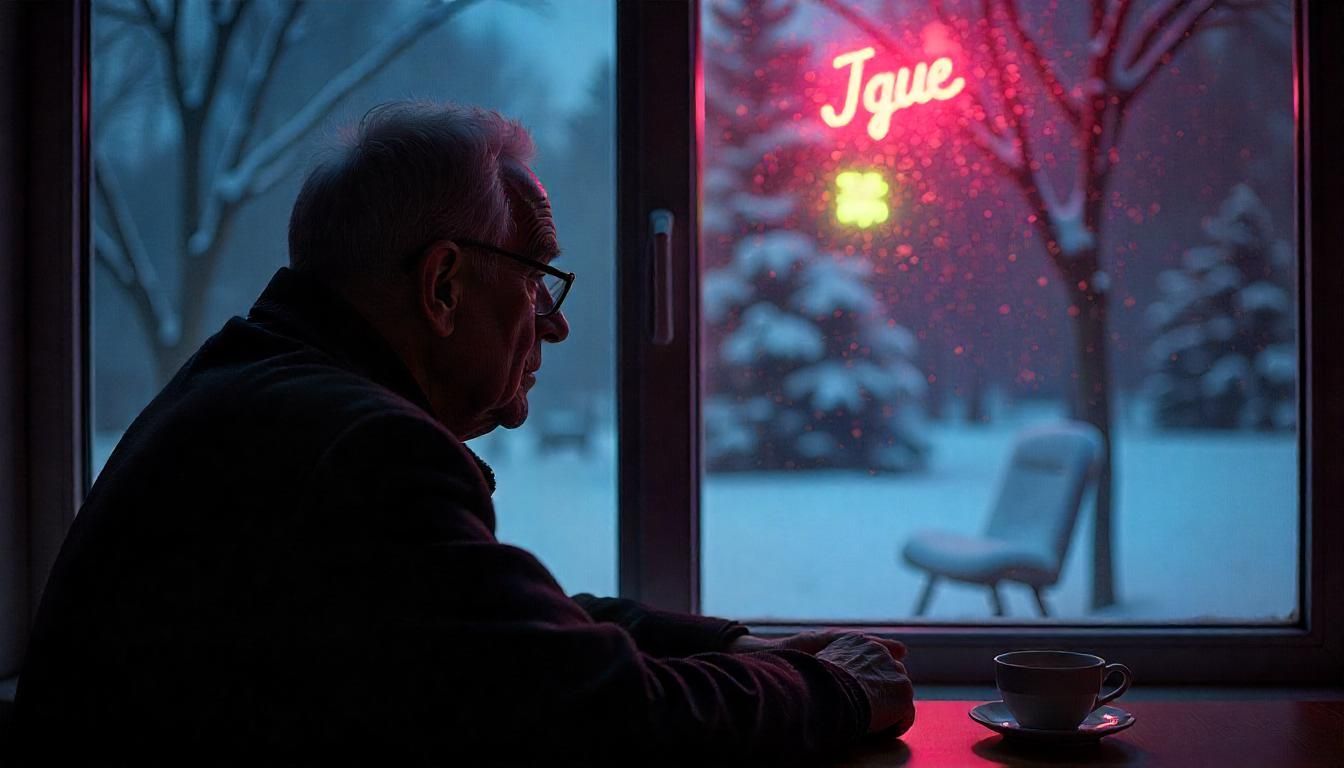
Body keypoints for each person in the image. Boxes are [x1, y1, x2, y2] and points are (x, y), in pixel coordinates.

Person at [14, 102, 914, 764]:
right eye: (536, 282)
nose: (553, 327)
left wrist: (732, 648)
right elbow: (600, 716)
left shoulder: (265, 398)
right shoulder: (360, 449)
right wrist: (835, 690)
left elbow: (498, 627)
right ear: (443, 285)